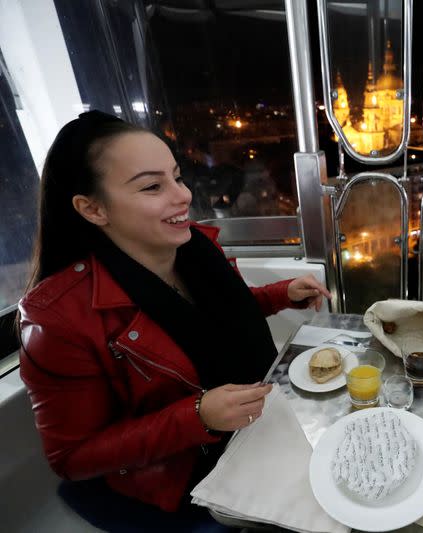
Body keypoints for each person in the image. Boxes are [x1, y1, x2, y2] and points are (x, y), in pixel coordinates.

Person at [16, 111, 331, 530]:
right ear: (92, 209)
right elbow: (72, 457)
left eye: (177, 177)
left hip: (254, 423)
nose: (182, 196)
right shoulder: (56, 318)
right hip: (176, 477)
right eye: (152, 186)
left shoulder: (195, 247)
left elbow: (216, 317)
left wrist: (278, 295)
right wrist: (197, 415)